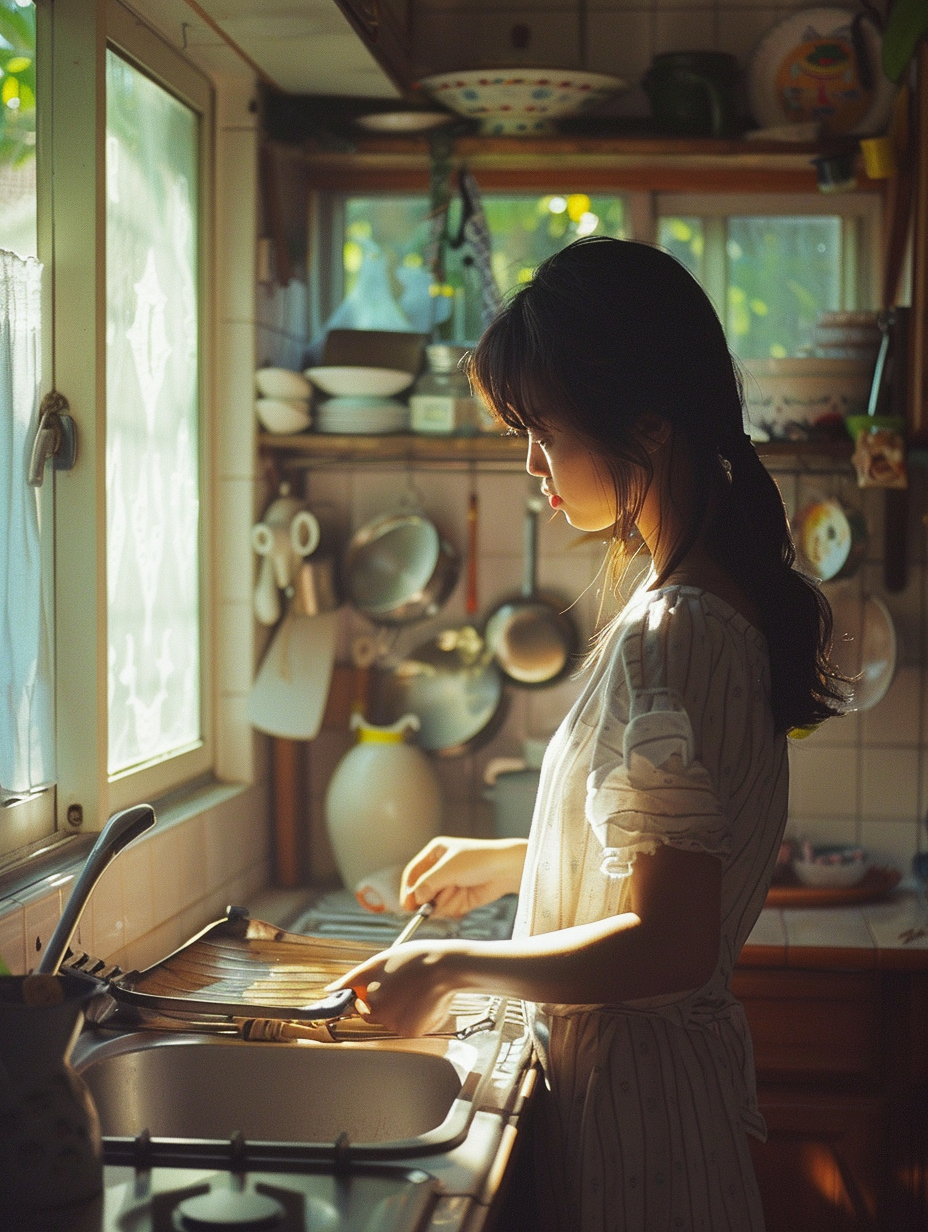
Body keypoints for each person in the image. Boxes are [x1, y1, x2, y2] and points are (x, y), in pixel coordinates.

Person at [329, 237, 843, 1231]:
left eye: (543, 431)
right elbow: (676, 860)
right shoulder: (690, 603)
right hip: (653, 1119)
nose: (531, 464)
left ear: (646, 428)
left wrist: (449, 963)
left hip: (638, 1136)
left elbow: (670, 942)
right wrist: (522, 858)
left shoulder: (677, 628)